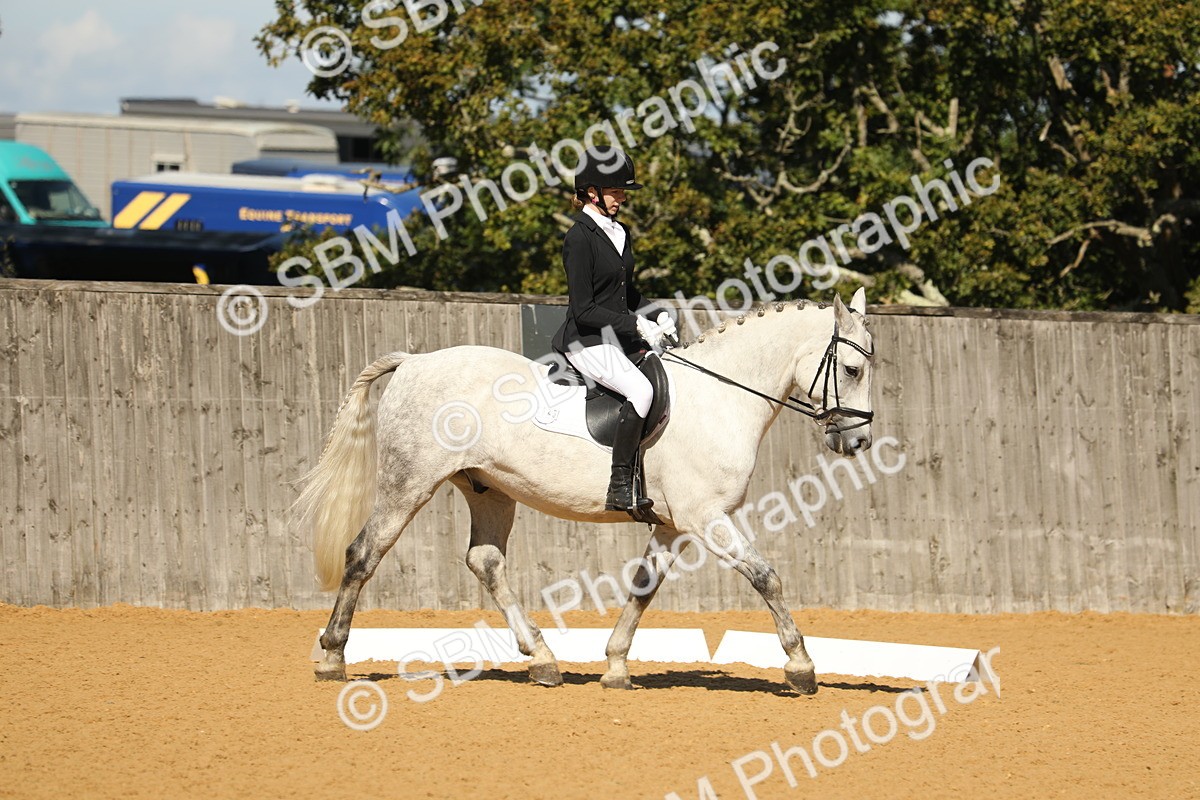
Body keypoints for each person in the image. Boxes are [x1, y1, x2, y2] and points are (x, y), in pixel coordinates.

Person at [551, 147, 677, 514]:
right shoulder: (579, 238)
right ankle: (620, 484)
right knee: (640, 390)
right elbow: (584, 309)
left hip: (619, 338)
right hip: (587, 340)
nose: (622, 198)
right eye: (616, 191)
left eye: (623, 191)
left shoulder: (620, 232)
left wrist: (657, 314)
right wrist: (635, 323)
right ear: (592, 193)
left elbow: (626, 292)